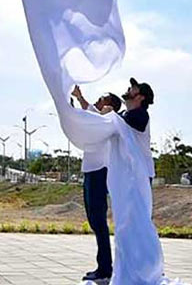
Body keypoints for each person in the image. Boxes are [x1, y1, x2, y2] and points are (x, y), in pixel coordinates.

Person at [72, 86, 122, 282]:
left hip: (99, 173)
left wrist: (83, 101)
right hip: (90, 172)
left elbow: (94, 112)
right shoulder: (97, 119)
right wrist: (79, 97)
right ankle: (104, 266)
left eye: (101, 99)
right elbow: (88, 109)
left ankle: (105, 268)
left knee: (98, 221)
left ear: (109, 105)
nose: (97, 100)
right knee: (94, 221)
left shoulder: (108, 121)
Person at [121, 78, 156, 183]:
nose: (129, 89)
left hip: (141, 172)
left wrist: (111, 114)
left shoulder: (141, 115)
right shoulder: (125, 114)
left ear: (140, 97)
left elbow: (130, 121)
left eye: (133, 89)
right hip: (132, 171)